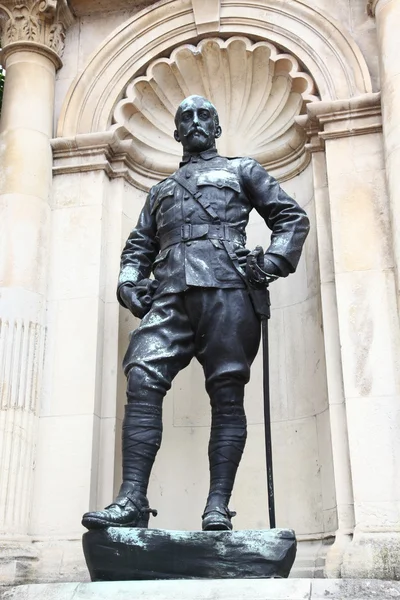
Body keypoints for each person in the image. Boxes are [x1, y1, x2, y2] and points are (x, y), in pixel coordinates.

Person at [82, 95, 309, 532]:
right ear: (176, 132)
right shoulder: (160, 191)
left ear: (218, 128)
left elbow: (291, 218)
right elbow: (138, 247)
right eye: (186, 116)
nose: (196, 121)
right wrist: (128, 282)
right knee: (143, 375)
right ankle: (131, 499)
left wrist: (272, 264)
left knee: (226, 392)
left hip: (228, 290)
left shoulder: (242, 170)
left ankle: (217, 506)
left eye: (205, 114)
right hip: (169, 295)